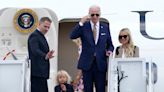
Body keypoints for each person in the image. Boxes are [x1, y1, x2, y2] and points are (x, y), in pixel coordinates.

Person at [70, 5, 114, 92]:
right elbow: (72, 35)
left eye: (97, 15)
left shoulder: (105, 27)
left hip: (100, 63)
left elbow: (110, 45)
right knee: (87, 89)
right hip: (87, 64)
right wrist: (81, 22)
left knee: (101, 88)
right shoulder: (84, 26)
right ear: (89, 15)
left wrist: (109, 51)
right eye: (92, 15)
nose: (94, 17)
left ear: (100, 15)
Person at [28, 17, 55, 92]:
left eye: (48, 27)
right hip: (37, 72)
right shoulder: (34, 35)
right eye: (45, 26)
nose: (47, 29)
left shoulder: (41, 36)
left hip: (41, 73)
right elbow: (35, 50)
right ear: (39, 24)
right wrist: (45, 55)